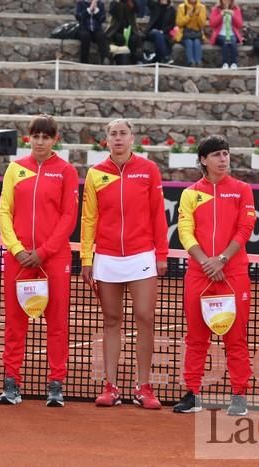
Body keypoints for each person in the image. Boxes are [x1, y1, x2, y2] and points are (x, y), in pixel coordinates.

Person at [81, 118, 169, 409]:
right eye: (113, 134)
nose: (118, 138)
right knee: (111, 321)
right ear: (106, 140)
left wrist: (161, 255)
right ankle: (111, 386)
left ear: (133, 138)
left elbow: (158, 214)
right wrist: (86, 257)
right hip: (106, 256)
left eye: (123, 133)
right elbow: (89, 218)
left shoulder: (149, 170)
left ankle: (144, 387)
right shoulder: (96, 173)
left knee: (145, 317)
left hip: (141, 254)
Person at [0, 115, 79, 407]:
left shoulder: (66, 171)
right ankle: (11, 382)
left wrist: (43, 252)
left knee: (56, 322)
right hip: (18, 258)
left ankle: (55, 384)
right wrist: (17, 248)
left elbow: (69, 216)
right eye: (36, 136)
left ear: (55, 139)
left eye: (46, 137)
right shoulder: (15, 169)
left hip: (53, 259)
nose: (41, 142)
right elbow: (4, 211)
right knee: (15, 322)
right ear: (28, 138)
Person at [173, 136, 255, 416]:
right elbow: (185, 231)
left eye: (226, 153)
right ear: (204, 160)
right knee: (196, 337)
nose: (223, 159)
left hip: (233, 272)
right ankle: (193, 393)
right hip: (199, 273)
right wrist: (205, 261)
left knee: (235, 337)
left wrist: (221, 260)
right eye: (217, 155)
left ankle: (239, 396)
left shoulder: (243, 190)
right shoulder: (190, 193)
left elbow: (245, 229)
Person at [209, 0, 243, 69]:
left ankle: (234, 63)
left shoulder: (236, 9)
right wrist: (220, 15)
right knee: (226, 41)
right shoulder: (216, 9)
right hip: (220, 34)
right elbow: (212, 24)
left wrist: (233, 15)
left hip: (232, 33)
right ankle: (225, 63)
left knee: (232, 41)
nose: (226, 1)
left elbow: (239, 25)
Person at [106, 0, 143, 64]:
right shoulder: (114, 2)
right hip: (116, 29)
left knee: (134, 39)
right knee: (119, 39)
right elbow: (112, 11)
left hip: (131, 29)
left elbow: (138, 10)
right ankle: (119, 60)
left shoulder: (131, 2)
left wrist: (130, 2)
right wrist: (117, 2)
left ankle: (133, 60)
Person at [76, 0, 109, 64]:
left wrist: (96, 10)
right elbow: (79, 17)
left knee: (101, 35)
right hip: (84, 28)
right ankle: (84, 62)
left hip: (96, 28)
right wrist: (89, 9)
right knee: (85, 36)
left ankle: (104, 59)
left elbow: (102, 19)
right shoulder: (80, 3)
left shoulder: (100, 4)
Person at [176, 0, 208, 67]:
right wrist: (188, 16)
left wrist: (197, 15)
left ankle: (198, 62)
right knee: (189, 42)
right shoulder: (181, 7)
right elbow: (179, 23)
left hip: (197, 34)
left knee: (196, 42)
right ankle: (191, 62)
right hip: (185, 34)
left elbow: (202, 25)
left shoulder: (202, 7)